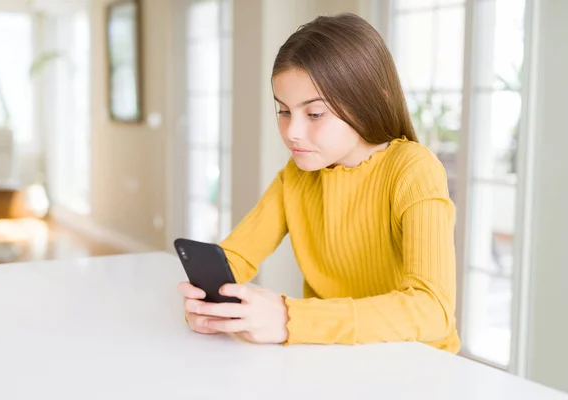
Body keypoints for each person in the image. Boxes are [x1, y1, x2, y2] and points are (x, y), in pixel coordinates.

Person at [178, 12, 460, 353]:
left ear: (370, 101)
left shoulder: (414, 170)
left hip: (419, 364)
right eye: (284, 111)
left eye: (314, 114)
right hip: (334, 358)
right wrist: (211, 306)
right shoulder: (298, 177)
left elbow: (433, 309)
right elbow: (234, 257)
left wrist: (288, 317)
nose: (292, 132)